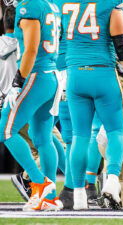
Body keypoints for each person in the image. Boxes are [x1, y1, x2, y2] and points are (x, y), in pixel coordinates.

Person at [61, 0, 123, 210]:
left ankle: (78, 193)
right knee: (116, 130)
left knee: (79, 136)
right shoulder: (109, 5)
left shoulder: (61, 3)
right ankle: (112, 180)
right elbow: (122, 46)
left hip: (75, 75)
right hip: (103, 74)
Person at [0, 0, 62, 211]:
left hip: (35, 76)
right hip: (50, 75)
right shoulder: (50, 5)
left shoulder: (29, 6)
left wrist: (17, 82)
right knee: (42, 137)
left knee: (5, 131)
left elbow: (31, 49)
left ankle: (39, 183)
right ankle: (49, 197)